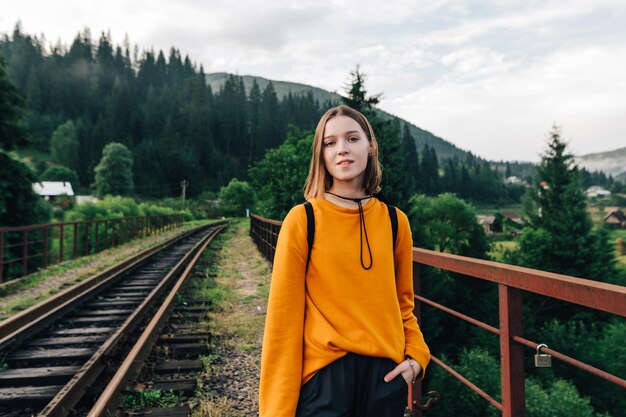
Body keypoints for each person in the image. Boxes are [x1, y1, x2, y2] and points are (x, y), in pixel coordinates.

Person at [259, 105, 430, 417]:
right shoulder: (303, 220)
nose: (342, 150)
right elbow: (283, 324)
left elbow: (404, 303)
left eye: (352, 138)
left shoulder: (395, 222)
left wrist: (417, 356)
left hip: (385, 378)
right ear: (321, 154)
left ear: (370, 146)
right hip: (325, 379)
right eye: (330, 142)